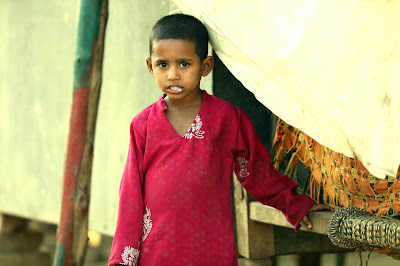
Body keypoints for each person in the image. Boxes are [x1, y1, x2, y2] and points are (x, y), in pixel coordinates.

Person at [108, 13, 333, 266]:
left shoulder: (227, 119)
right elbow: (130, 195)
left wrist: (295, 204)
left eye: (184, 64)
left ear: (205, 66)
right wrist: (123, 260)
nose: (172, 74)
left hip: (211, 251)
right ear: (150, 67)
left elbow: (258, 174)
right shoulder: (143, 125)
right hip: (157, 254)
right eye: (163, 65)